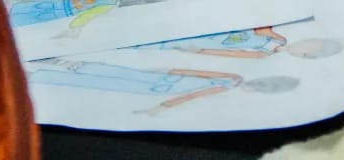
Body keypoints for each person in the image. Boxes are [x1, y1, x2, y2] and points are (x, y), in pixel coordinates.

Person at [26, 58, 298, 115]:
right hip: (161, 85)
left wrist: (159, 107)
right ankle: (58, 65)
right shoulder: (231, 81)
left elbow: (193, 95)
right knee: (111, 73)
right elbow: (197, 79)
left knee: (106, 78)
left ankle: (40, 74)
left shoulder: (230, 91)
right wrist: (169, 71)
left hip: (158, 89)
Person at [6, 0, 177, 39]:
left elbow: (86, 14)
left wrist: (75, 29)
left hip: (56, 10)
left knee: (15, 18)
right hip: (55, 8)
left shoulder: (108, 1)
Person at [147, 27, 344, 61]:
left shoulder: (263, 54)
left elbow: (231, 54)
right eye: (309, 43)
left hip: (203, 43)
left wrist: (200, 51)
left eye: (307, 52)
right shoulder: (276, 37)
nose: (302, 48)